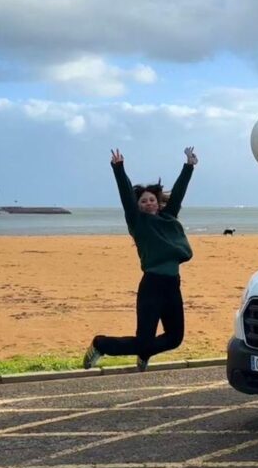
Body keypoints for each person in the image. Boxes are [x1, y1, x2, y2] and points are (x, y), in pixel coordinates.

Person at [83, 146, 197, 372]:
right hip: (152, 285)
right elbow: (126, 195)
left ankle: (144, 353)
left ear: (158, 202)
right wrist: (118, 169)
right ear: (138, 206)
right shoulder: (138, 223)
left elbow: (179, 193)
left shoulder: (168, 218)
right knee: (144, 338)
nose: (148, 203)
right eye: (143, 201)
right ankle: (100, 344)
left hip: (172, 285)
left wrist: (189, 166)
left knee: (175, 338)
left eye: (152, 200)